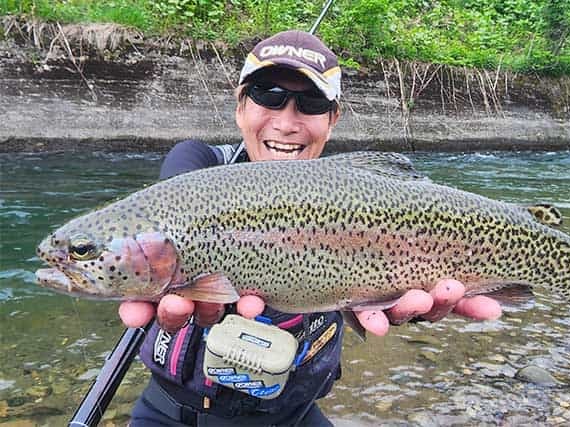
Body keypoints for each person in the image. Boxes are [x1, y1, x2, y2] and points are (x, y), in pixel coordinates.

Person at [119, 30, 502, 426]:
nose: (286, 122)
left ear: (332, 119)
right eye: (268, 95)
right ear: (240, 107)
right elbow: (165, 217)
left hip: (294, 415)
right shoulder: (195, 169)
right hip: (171, 414)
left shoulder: (359, 196)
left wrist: (402, 292)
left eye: (311, 102)